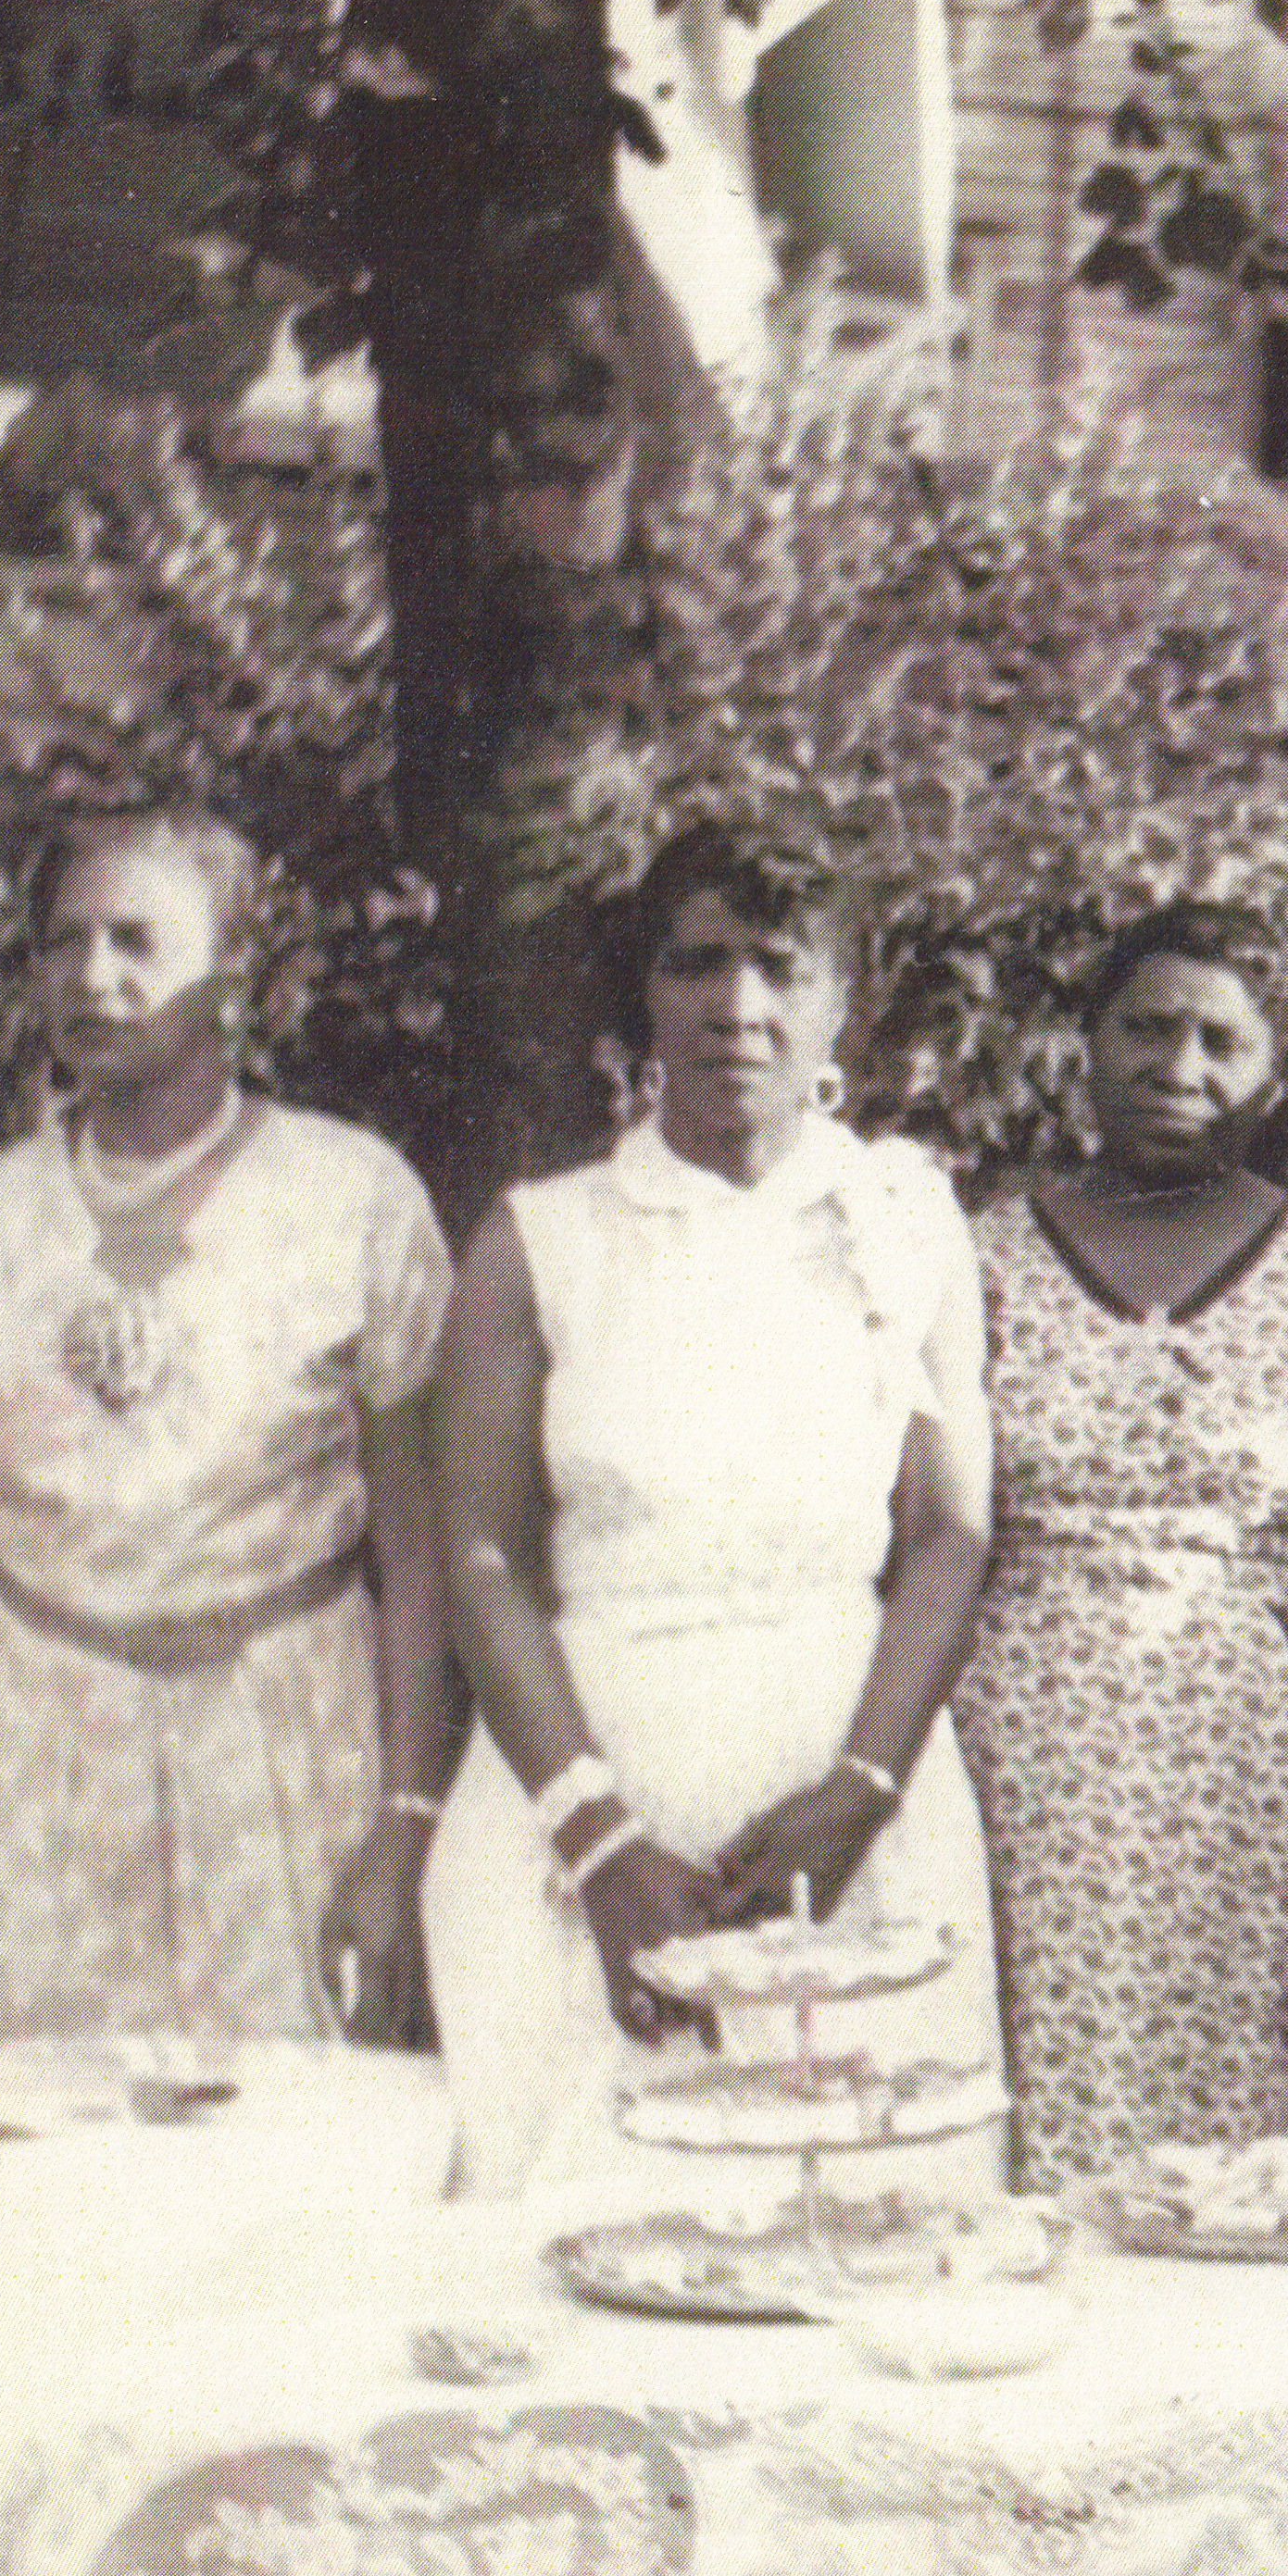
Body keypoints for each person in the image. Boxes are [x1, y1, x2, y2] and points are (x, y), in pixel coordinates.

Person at [416, 822, 1007, 2197]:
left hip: (853, 1779)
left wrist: (860, 1793)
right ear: (644, 994)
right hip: (588, 1780)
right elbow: (480, 1555)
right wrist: (600, 1843)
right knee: (584, 2217)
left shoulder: (906, 1220)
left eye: (779, 967)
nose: (737, 1003)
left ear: (842, 1000)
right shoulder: (539, 1237)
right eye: (695, 963)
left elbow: (950, 1535)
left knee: (869, 2217)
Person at [0, 807, 457, 2055]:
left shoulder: (351, 1198)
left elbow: (423, 1557)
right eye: (62, 943)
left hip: (284, 1753)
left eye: (135, 940)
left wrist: (405, 1827)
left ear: (235, 984)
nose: (91, 975)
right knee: (17, 2132)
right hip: (24, 1757)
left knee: (293, 2135)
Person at [944, 900, 1288, 2187]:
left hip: (1259, 1796)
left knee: (1251, 2181)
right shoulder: (976, 1260)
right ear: (1085, 1040)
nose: (1178, 1067)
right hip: (1016, 1787)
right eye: (1146, 1028)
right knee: (1027, 2154)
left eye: (1222, 1041)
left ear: (1277, 1069)